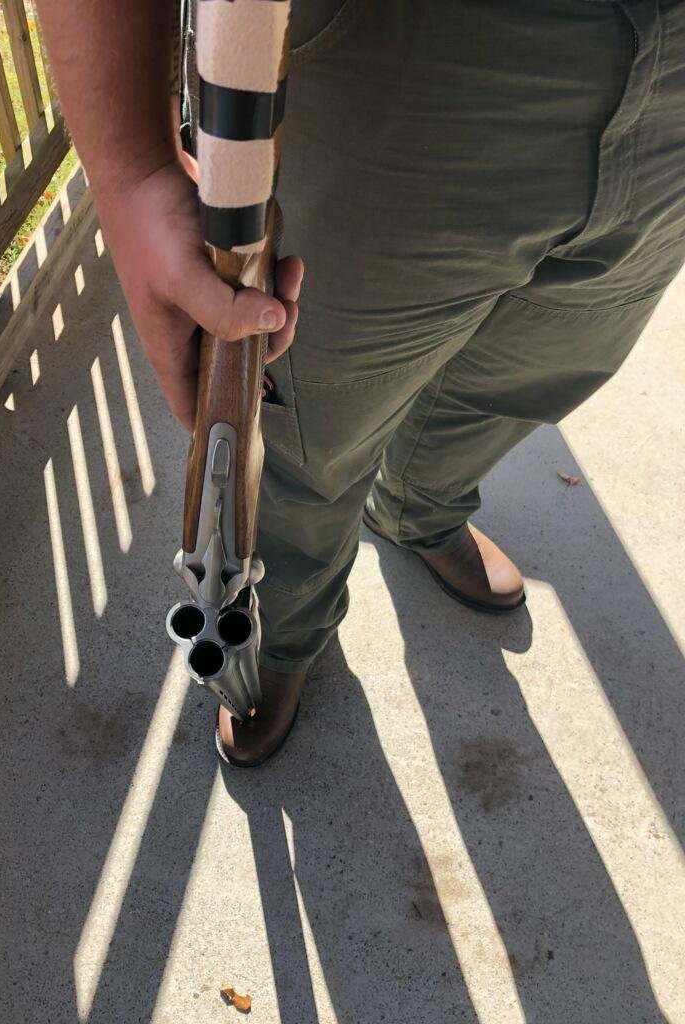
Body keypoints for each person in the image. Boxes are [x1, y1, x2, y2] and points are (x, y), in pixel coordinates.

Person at [37, 0, 685, 766]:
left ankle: (418, 506)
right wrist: (131, 169)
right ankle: (278, 631)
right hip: (412, 55)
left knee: (539, 361)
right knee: (313, 421)